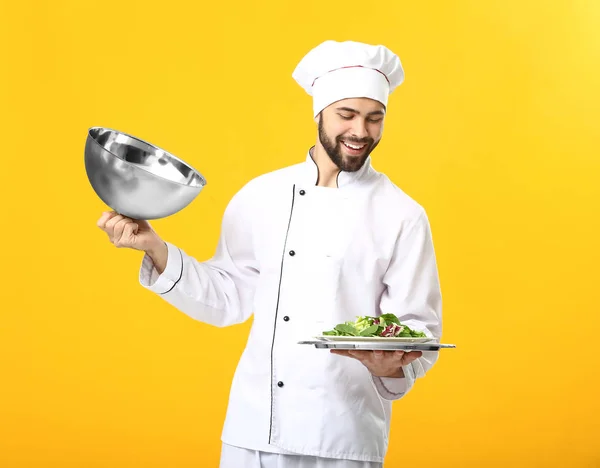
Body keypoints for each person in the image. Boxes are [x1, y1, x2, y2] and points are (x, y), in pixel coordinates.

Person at [97, 40, 443, 468]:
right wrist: (155, 247)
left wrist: (389, 365)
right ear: (318, 112)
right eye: (346, 115)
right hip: (253, 430)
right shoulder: (261, 196)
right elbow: (227, 297)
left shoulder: (402, 214)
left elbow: (417, 331)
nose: (360, 132)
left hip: (343, 438)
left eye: (375, 119)